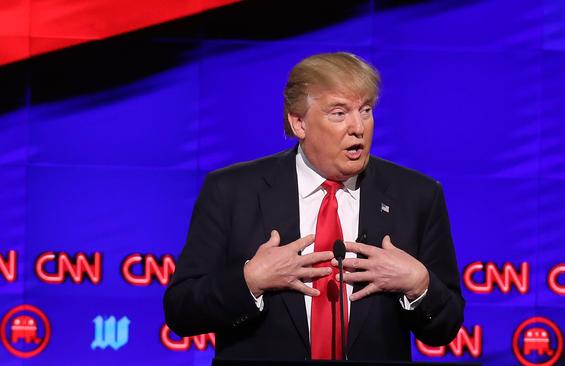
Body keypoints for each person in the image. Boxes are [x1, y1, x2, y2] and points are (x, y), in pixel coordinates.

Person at [163, 52, 464, 362]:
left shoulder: (417, 197)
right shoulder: (232, 191)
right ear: (299, 123)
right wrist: (250, 280)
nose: (358, 127)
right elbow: (182, 311)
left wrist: (419, 285)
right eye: (339, 113)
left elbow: (446, 327)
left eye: (366, 110)